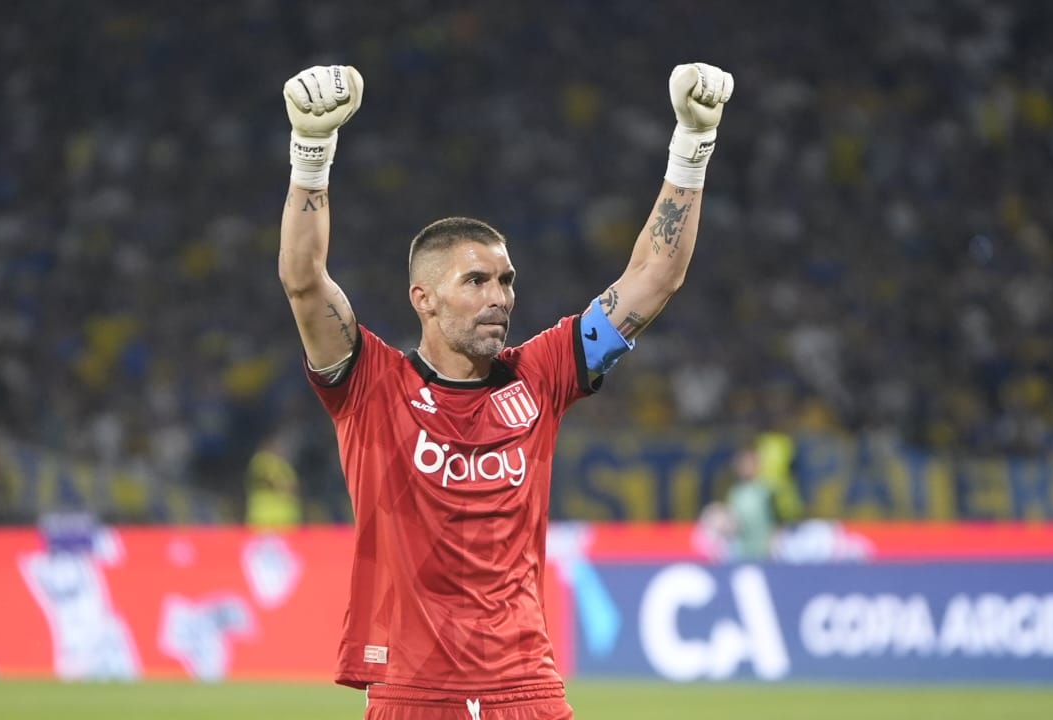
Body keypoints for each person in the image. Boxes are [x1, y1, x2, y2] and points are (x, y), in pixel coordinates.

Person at [279, 61, 733, 720]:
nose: (500, 298)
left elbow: (654, 277)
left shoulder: (543, 373)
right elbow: (303, 280)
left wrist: (693, 140)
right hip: (412, 695)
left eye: (507, 280)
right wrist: (310, 153)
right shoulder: (371, 383)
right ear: (424, 299)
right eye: (477, 282)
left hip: (527, 690)